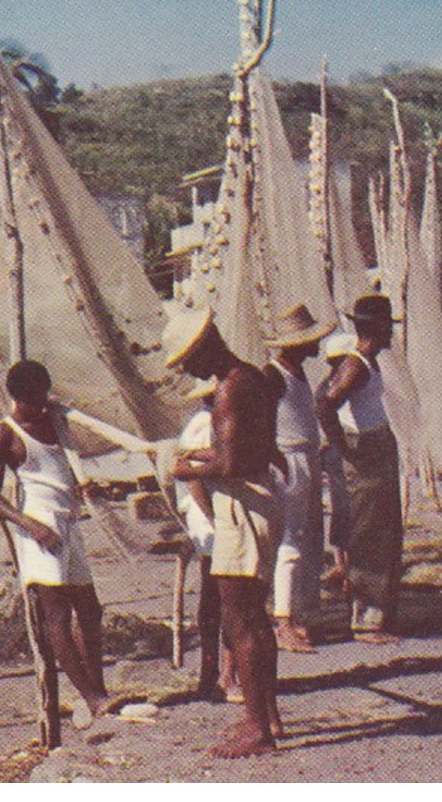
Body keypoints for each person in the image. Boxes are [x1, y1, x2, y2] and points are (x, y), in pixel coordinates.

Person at [162, 310, 283, 758]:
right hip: (254, 498)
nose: (188, 371)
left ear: (204, 348)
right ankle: (265, 715)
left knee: (241, 619)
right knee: (253, 616)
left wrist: (184, 466)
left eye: (188, 361)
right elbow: (248, 448)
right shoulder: (251, 378)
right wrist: (204, 455)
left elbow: (232, 463)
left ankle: (258, 727)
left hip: (244, 502)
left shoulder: (231, 387)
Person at [0, 360, 119, 727]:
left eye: (43, 397)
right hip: (39, 527)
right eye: (33, 400)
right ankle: (92, 698)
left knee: (90, 610)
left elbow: (63, 468)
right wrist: (30, 525)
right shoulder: (4, 436)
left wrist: (81, 486)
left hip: (69, 522)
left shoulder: (56, 421)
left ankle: (97, 689)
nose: (41, 405)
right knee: (56, 616)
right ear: (17, 399)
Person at [315, 294, 403, 643]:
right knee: (370, 534)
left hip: (375, 445)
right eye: (387, 327)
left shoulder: (363, 362)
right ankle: (366, 618)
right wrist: (343, 446)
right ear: (377, 328)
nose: (390, 334)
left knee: (383, 530)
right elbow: (325, 402)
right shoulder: (355, 365)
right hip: (366, 449)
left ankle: (377, 612)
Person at [263, 303, 335, 653]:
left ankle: (300, 612)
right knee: (288, 541)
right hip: (288, 459)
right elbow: (261, 419)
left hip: (306, 457)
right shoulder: (273, 375)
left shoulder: (298, 373)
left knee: (307, 540)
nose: (316, 345)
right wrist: (277, 459)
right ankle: (283, 621)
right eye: (311, 340)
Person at [173, 376, 232, 701]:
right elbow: (193, 477)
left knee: (227, 596)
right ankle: (213, 673)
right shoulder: (202, 423)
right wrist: (214, 519)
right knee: (215, 593)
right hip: (206, 513)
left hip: (219, 510)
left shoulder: (223, 419)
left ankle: (223, 673)